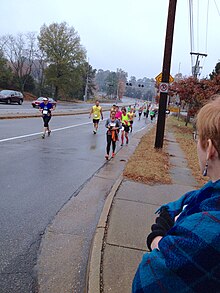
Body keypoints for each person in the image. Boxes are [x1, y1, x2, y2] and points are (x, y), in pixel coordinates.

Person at [132, 95, 220, 292]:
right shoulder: (206, 196)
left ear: (210, 150)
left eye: (197, 137)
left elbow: (145, 282)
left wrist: (157, 239)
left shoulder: (205, 232)